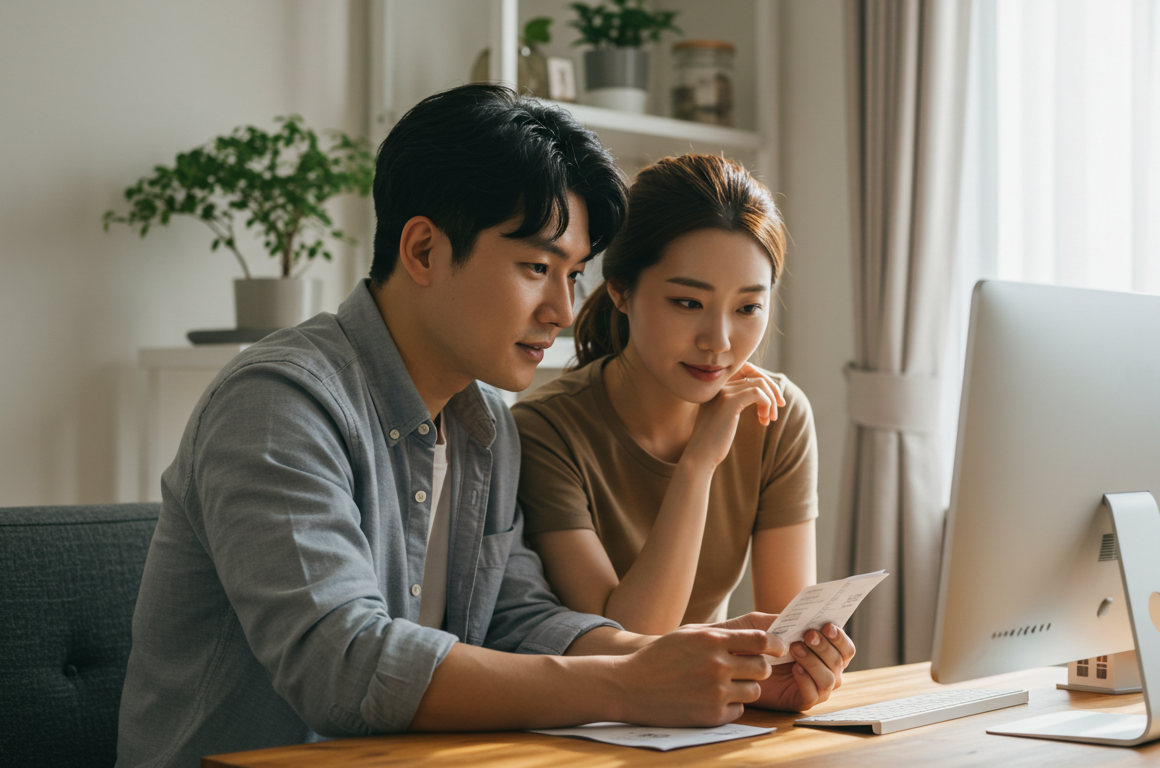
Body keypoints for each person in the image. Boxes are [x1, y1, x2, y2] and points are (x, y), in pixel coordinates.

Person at [114, 86, 841, 768]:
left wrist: (707, 666)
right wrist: (629, 685)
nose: (561, 310)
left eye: (574, 274)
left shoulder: (483, 422)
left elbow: (517, 619)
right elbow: (342, 662)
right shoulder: (279, 403)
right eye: (535, 266)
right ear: (424, 250)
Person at [512, 154, 852, 703]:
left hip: (702, 720)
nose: (718, 341)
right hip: (587, 728)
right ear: (621, 290)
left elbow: (789, 637)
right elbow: (628, 646)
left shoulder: (776, 413)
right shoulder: (545, 430)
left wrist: (800, 670)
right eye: (688, 302)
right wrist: (699, 462)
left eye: (747, 308)